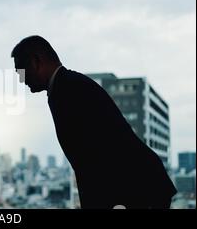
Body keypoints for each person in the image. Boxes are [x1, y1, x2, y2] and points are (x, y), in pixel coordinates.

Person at [11, 35, 177, 209]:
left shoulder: (66, 90)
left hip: (140, 187)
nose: (22, 79)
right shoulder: (68, 85)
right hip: (143, 183)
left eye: (21, 71)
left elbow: (92, 157)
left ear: (36, 61)